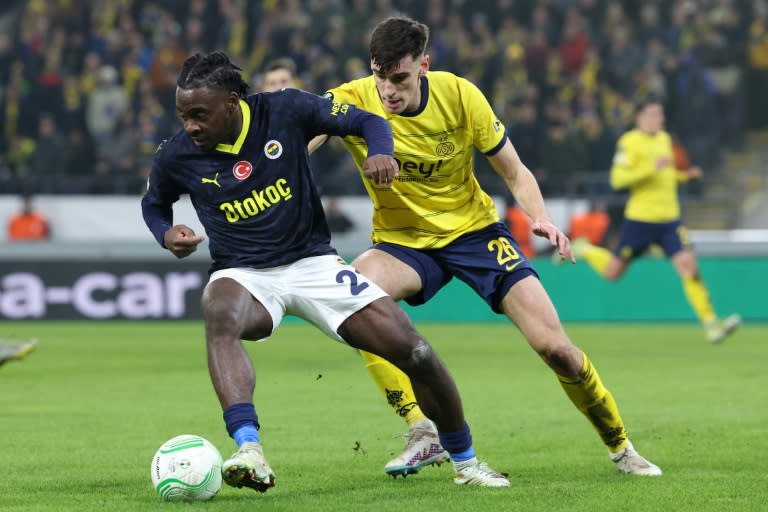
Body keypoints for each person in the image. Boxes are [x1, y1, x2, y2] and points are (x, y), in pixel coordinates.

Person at [141, 50, 509, 491]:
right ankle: (249, 448)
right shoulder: (177, 155)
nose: (191, 126)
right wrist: (167, 233)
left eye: (199, 114)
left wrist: (381, 152)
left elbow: (367, 121)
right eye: (184, 115)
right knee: (219, 311)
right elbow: (154, 204)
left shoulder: (287, 108)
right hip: (244, 273)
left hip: (313, 263)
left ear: (233, 102)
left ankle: (466, 463)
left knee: (416, 353)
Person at [312, 16, 661, 478]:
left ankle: (621, 447)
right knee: (356, 306)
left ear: (423, 66)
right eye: (380, 77)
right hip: (404, 242)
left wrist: (542, 219)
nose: (388, 91)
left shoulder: (460, 96)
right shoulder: (352, 99)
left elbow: (514, 171)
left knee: (555, 348)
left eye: (399, 78)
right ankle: (423, 431)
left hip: (475, 233)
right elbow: (299, 139)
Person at [569, 98, 741, 344]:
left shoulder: (664, 139)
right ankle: (584, 249)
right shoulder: (629, 142)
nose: (659, 119)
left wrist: (684, 176)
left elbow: (665, 175)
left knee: (689, 268)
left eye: (660, 114)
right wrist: (651, 168)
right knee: (613, 272)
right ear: (639, 118)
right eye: (653, 114)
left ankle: (711, 324)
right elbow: (618, 180)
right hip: (640, 220)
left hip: (670, 220)